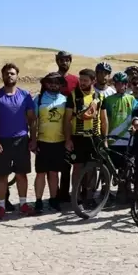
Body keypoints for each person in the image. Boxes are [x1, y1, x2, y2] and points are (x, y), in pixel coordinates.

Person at [0, 63, 37, 219]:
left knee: (22, 174)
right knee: (1, 176)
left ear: (17, 76)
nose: (9, 76)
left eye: (12, 73)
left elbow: (32, 120)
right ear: (2, 76)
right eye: (7, 73)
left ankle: (23, 205)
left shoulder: (25, 95)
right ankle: (1, 207)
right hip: (2, 141)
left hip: (21, 140)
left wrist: (33, 139)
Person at [64, 68, 108, 209]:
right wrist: (68, 140)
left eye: (85, 80)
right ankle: (76, 197)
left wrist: (105, 139)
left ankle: (89, 196)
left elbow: (104, 119)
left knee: (92, 168)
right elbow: (67, 120)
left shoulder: (100, 97)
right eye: (80, 80)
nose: (82, 83)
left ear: (93, 81)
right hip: (78, 137)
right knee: (77, 167)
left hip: (95, 137)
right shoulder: (73, 95)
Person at [32, 72, 68, 213]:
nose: (54, 84)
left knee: (54, 173)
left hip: (59, 141)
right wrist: (33, 140)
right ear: (46, 84)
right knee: (40, 173)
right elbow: (34, 121)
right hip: (42, 141)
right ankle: (39, 201)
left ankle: (53, 200)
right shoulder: (39, 99)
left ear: (60, 84)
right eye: (51, 82)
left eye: (57, 82)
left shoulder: (64, 100)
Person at [101, 72, 137, 187]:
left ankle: (123, 192)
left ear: (127, 85)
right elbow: (104, 119)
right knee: (108, 168)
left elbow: (137, 115)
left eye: (123, 83)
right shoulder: (108, 100)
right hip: (112, 139)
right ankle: (104, 190)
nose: (120, 86)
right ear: (114, 85)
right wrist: (105, 137)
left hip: (127, 139)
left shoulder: (132, 99)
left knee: (125, 168)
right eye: (118, 83)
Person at [55, 51, 79, 203]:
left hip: (72, 126)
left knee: (69, 162)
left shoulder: (75, 80)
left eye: (67, 60)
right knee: (55, 163)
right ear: (57, 61)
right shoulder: (51, 78)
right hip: (54, 125)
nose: (64, 62)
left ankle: (65, 193)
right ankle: (55, 193)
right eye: (61, 60)